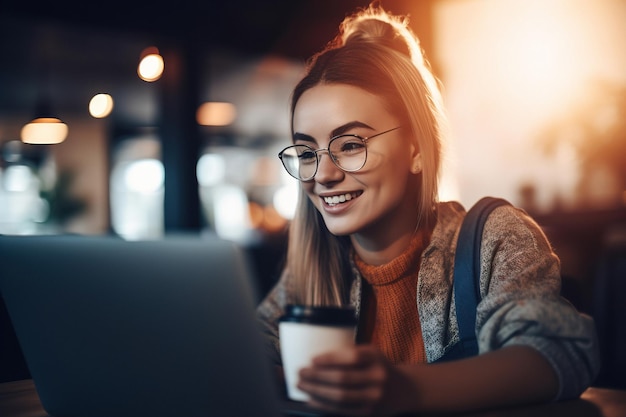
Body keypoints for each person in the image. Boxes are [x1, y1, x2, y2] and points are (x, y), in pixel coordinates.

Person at [257, 3, 600, 416]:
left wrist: (400, 389)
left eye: (351, 145)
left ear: (416, 148)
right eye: (307, 151)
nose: (323, 175)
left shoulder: (493, 238)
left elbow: (557, 354)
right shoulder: (311, 267)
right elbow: (241, 356)